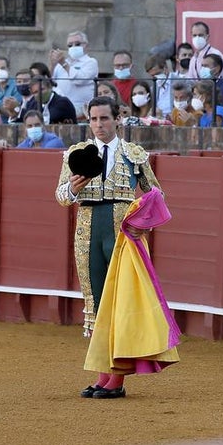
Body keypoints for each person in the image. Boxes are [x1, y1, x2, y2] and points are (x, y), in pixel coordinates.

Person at [56, 95, 163, 400]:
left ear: (117, 119)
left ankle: (116, 378)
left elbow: (156, 195)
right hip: (88, 230)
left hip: (122, 237)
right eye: (93, 119)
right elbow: (61, 196)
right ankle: (104, 375)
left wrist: (142, 224)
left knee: (119, 304)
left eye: (104, 118)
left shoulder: (134, 155)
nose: (99, 125)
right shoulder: (75, 154)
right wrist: (73, 189)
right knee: (96, 303)